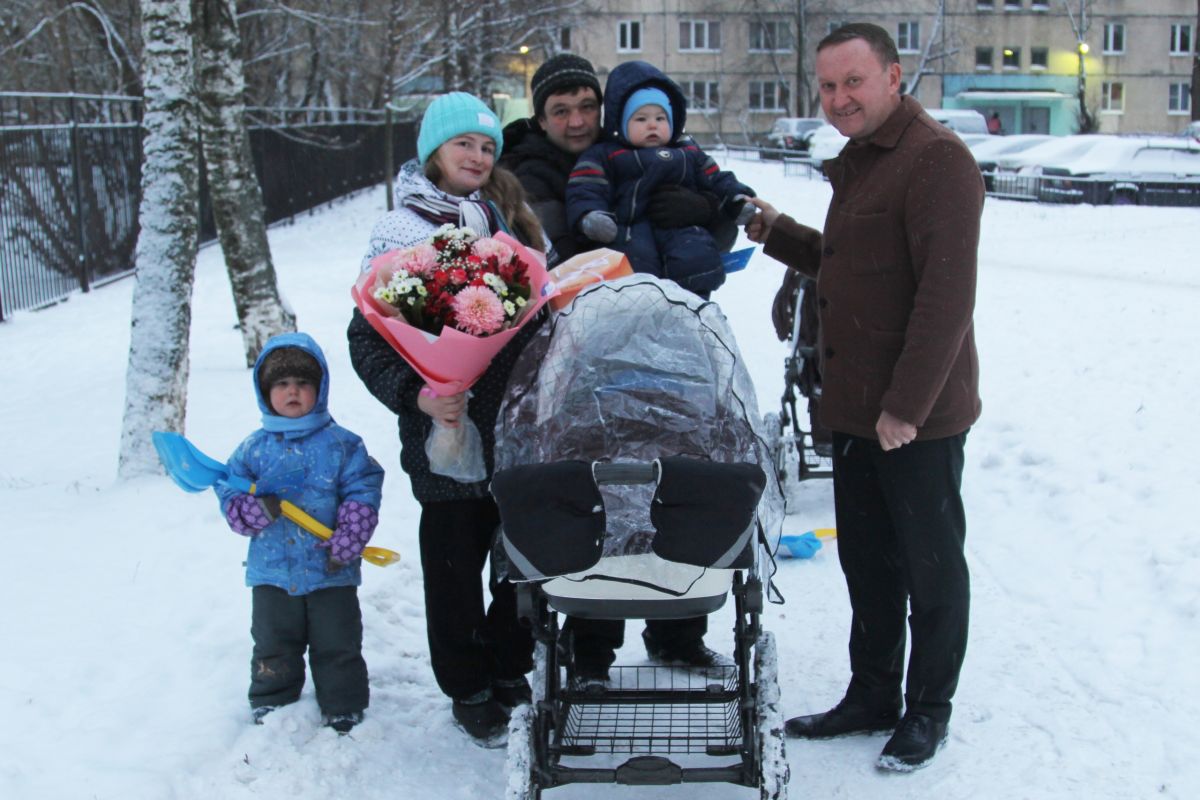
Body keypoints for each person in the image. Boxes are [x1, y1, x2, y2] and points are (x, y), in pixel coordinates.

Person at [744, 22, 983, 772]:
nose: (839, 99)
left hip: (915, 420)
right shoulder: (861, 159)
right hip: (850, 410)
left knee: (931, 568)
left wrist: (906, 407)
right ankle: (873, 694)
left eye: (853, 81)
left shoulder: (936, 161)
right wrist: (778, 232)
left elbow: (945, 299)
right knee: (870, 567)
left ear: (893, 75)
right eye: (827, 86)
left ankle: (926, 710)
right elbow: (849, 263)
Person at [500, 55, 730, 679]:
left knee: (676, 478)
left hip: (661, 346)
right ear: (539, 115)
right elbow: (556, 258)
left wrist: (702, 222)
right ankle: (592, 646)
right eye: (559, 109)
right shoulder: (524, 170)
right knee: (595, 489)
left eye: (585, 106)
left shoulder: (628, 150)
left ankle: (677, 631)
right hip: (580, 355)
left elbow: (697, 232)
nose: (576, 120)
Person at [347, 91, 543, 745]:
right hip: (446, 431)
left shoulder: (505, 219)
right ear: (433, 150)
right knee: (455, 566)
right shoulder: (399, 233)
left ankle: (513, 666)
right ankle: (469, 686)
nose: (479, 156)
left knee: (520, 560)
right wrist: (419, 395)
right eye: (465, 144)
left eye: (488, 147)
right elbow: (368, 337)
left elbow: (529, 311)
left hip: (515, 428)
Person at [216, 332, 385, 735]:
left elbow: (363, 489)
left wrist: (349, 537)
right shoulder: (252, 450)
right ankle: (273, 698)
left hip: (332, 567)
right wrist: (256, 511)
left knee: (338, 643)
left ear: (320, 388)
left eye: (303, 383)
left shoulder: (343, 445)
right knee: (273, 641)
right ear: (265, 391)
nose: (293, 391)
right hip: (272, 572)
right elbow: (229, 496)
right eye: (282, 384)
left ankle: (343, 703)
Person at [565, 60, 755, 298]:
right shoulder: (606, 154)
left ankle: (696, 306)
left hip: (683, 233)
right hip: (630, 235)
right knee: (637, 274)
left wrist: (735, 200)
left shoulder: (689, 152)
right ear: (620, 124)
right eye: (641, 119)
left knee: (695, 261)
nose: (652, 125)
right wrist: (590, 216)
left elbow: (717, 179)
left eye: (660, 118)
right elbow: (585, 188)